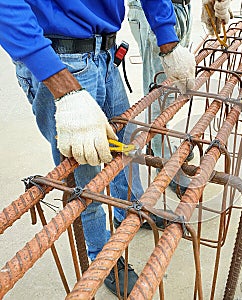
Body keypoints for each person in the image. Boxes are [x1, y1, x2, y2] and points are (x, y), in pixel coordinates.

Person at [0, 0, 196, 297]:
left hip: (106, 51)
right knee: (84, 173)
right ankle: (102, 257)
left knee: (124, 145)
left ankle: (130, 208)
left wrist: (168, 41)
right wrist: (61, 84)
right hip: (59, 55)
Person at [126, 0, 231, 196]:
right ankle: (165, 163)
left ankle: (157, 145)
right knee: (160, 94)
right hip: (156, 10)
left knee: (173, 88)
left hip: (178, 8)